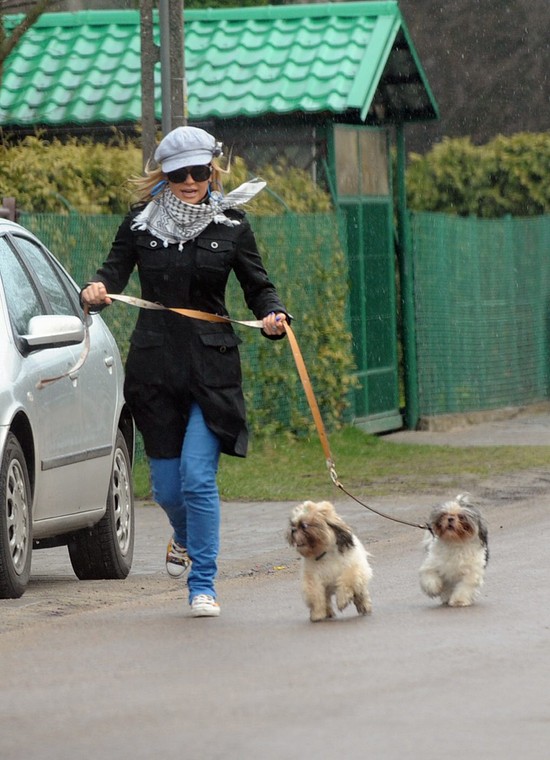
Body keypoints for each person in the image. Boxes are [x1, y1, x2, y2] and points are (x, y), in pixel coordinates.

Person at [81, 126, 289, 617]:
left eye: (200, 172)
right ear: (165, 176)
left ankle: (204, 584)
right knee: (168, 490)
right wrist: (95, 289)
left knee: (198, 480)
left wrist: (274, 316)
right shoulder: (138, 225)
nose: (191, 180)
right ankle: (182, 535)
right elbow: (112, 272)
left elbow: (259, 287)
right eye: (180, 174)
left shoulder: (231, 226)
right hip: (154, 368)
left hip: (211, 371)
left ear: (212, 172)